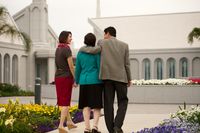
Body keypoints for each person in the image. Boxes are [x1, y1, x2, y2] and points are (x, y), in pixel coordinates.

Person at [80, 27, 131, 133]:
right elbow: (127, 64)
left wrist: (81, 49)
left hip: (107, 79)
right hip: (121, 78)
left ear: (108, 33)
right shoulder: (124, 45)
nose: (103, 36)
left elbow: (92, 50)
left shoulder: (102, 43)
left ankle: (111, 130)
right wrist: (129, 78)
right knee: (123, 101)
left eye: (104, 34)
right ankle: (117, 125)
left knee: (108, 104)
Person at [75, 33, 103, 133]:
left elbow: (77, 68)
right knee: (96, 105)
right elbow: (99, 66)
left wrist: (76, 81)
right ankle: (95, 126)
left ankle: (87, 128)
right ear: (94, 41)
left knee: (86, 105)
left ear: (84, 41)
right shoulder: (96, 52)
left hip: (84, 81)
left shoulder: (80, 53)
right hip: (95, 81)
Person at [55, 31, 77, 133]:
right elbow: (71, 66)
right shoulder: (67, 49)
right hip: (66, 77)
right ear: (64, 38)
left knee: (63, 101)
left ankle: (69, 121)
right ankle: (61, 125)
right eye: (69, 37)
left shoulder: (58, 48)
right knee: (66, 102)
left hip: (58, 77)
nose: (71, 38)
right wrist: (75, 78)